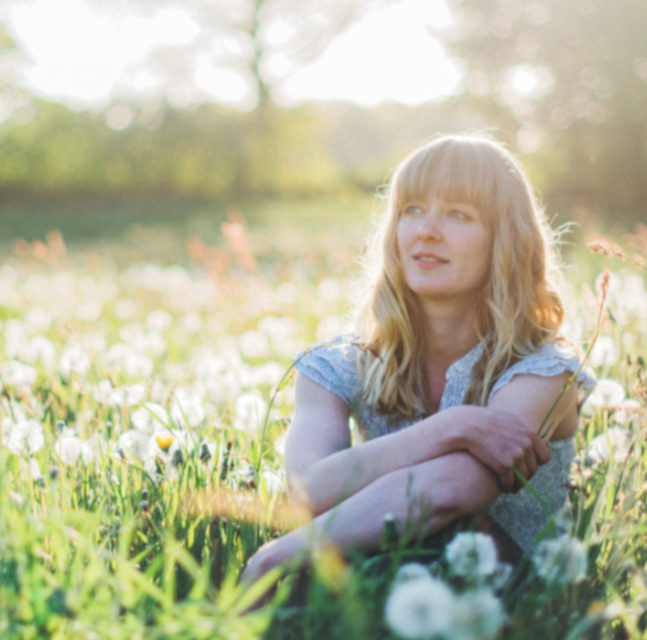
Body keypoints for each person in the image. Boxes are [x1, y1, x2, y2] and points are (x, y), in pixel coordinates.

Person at [240, 134, 594, 589]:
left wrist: (282, 554)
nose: (427, 230)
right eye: (412, 210)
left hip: (510, 608)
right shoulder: (336, 366)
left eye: (458, 214)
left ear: (504, 239)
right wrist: (455, 426)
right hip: (374, 586)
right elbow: (308, 492)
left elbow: (453, 488)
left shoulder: (543, 371)